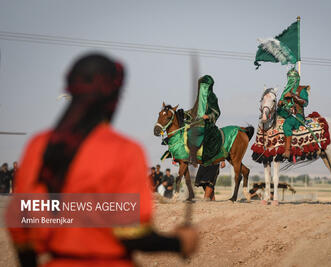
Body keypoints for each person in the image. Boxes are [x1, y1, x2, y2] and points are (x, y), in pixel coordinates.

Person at [8, 53, 198, 267]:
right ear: (114, 98)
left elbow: (20, 230)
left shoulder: (38, 146)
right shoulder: (125, 150)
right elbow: (132, 233)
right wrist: (179, 242)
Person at [187, 75, 221, 167]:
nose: (203, 88)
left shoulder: (212, 97)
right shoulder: (199, 98)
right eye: (202, 86)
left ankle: (193, 157)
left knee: (192, 133)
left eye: (205, 86)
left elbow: (217, 112)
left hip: (207, 124)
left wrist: (208, 116)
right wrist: (185, 113)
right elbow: (194, 110)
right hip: (196, 122)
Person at [277, 68, 309, 158]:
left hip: (297, 115)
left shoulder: (302, 89)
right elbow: (281, 102)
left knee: (287, 124)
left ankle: (287, 151)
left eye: (293, 78)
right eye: (289, 78)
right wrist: (280, 103)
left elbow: (305, 103)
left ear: (297, 78)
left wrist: (294, 96)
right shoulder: (286, 90)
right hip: (286, 113)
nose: (291, 80)